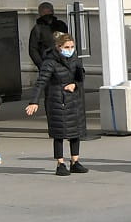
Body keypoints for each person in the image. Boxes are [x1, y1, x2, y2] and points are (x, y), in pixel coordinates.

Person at [24, 31, 87, 175]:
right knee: (59, 134)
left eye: (72, 46)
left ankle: (75, 161)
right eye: (67, 47)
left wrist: (74, 85)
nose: (69, 50)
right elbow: (41, 82)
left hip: (74, 101)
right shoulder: (49, 62)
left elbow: (80, 76)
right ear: (58, 47)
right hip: (57, 101)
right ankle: (60, 164)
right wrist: (34, 101)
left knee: (75, 132)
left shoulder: (75, 59)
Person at [27, 1, 66, 68]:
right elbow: (33, 50)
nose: (47, 15)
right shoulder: (38, 29)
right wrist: (41, 65)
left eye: (48, 12)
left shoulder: (61, 25)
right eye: (44, 13)